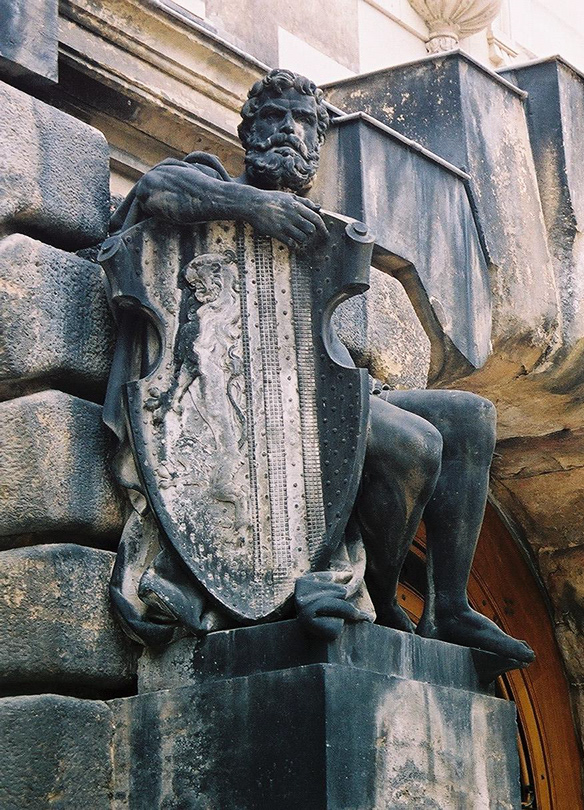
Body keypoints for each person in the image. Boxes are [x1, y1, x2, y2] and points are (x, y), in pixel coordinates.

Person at [105, 68, 533, 664]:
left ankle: (449, 606)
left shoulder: (322, 232)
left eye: (303, 121)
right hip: (245, 402)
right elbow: (153, 187)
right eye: (273, 117)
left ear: (317, 143)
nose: (287, 130)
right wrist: (253, 205)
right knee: (415, 445)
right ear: (247, 130)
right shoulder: (211, 188)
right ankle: (378, 600)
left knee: (469, 417)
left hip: (309, 395)